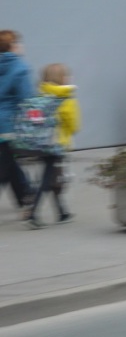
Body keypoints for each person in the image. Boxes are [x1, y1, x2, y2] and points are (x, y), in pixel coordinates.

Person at [24, 63, 78, 229]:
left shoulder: (39, 95)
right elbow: (74, 125)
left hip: (40, 143)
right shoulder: (66, 98)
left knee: (53, 175)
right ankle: (33, 213)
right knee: (48, 179)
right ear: (63, 79)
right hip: (57, 144)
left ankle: (62, 212)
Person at [0, 29, 35, 213]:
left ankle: (26, 196)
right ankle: (27, 196)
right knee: (4, 166)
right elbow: (26, 98)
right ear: (13, 46)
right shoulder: (20, 68)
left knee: (8, 161)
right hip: (10, 124)